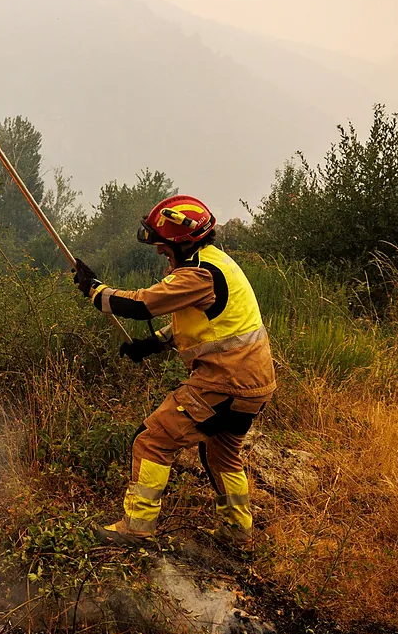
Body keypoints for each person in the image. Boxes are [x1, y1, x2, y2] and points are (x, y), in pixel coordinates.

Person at [72, 195, 275, 549]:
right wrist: (154, 343)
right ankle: (238, 534)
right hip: (254, 383)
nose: (158, 252)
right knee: (222, 453)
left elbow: (141, 304)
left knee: (153, 439)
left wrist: (95, 291)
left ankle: (135, 530)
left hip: (225, 381)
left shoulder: (199, 273)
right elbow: (208, 321)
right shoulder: (217, 263)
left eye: (162, 246)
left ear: (182, 242)